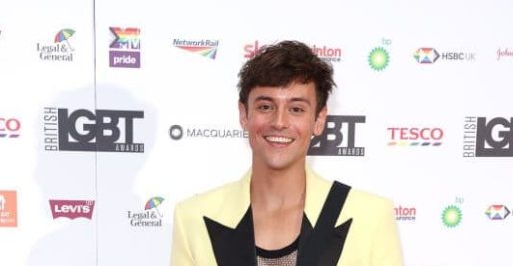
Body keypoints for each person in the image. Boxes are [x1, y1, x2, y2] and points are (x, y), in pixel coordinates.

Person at [170, 41, 403, 266]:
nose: (279, 122)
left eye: (296, 109)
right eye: (265, 107)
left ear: (319, 119)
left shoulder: (370, 216)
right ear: (244, 115)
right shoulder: (193, 218)